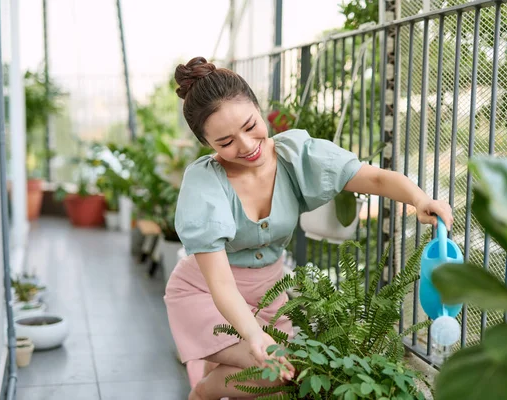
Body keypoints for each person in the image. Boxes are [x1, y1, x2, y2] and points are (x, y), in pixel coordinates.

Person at [163, 56, 453, 400]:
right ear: (207, 145)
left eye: (250, 125)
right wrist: (255, 336)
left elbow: (371, 176)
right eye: (225, 142)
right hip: (207, 296)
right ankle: (203, 394)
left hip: (269, 293)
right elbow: (222, 284)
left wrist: (419, 200)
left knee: (267, 370)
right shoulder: (205, 184)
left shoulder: (295, 156)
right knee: (275, 372)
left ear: (258, 107)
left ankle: (210, 383)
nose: (245, 145)